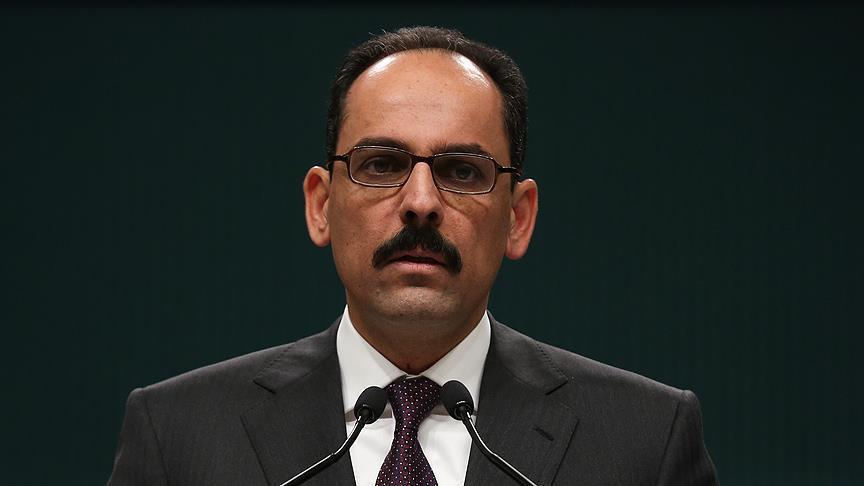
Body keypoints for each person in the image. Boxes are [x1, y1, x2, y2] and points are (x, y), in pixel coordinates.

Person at [108, 26, 717, 485]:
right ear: (321, 205)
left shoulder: (645, 443)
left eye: (462, 170)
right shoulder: (177, 438)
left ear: (518, 217)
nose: (421, 202)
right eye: (381, 164)